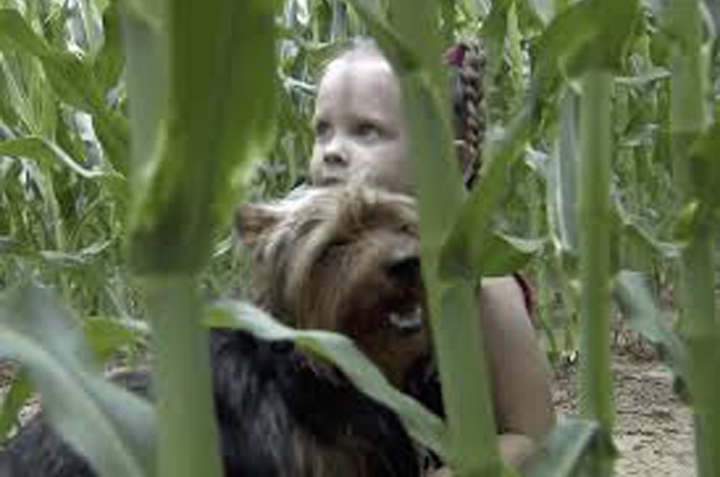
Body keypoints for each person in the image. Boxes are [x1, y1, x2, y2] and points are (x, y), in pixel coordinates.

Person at [307, 38, 554, 472]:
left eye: (366, 131)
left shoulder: (482, 289)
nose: (332, 150)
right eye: (322, 129)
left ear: (450, 164)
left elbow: (534, 436)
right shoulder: (310, 278)